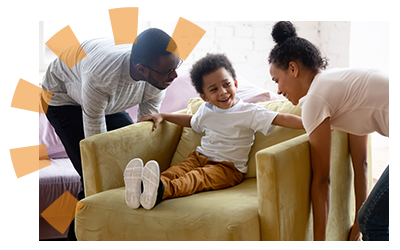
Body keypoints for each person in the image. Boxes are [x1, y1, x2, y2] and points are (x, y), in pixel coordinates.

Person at [41, 28, 182, 240]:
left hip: (103, 99)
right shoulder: (102, 78)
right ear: (142, 69)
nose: (175, 75)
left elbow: (146, 130)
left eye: (176, 66)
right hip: (62, 96)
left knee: (129, 168)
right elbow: (95, 144)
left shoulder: (159, 77)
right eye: (168, 71)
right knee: (95, 178)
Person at [123, 53, 304, 210]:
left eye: (226, 84)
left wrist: (310, 123)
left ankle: (159, 191)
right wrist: (164, 115)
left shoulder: (249, 111)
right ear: (204, 96)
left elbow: (282, 118)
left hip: (227, 168)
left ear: (235, 83)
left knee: (195, 178)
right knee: (175, 171)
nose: (223, 92)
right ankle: (140, 188)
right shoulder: (206, 110)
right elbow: (191, 121)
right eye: (214, 89)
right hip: (199, 157)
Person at [268, 21, 389, 241]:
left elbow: (322, 180)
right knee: (372, 219)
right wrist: (356, 225)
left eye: (277, 80)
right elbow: (361, 162)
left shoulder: (315, 99)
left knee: (373, 221)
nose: (277, 90)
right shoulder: (341, 82)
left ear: (293, 69)